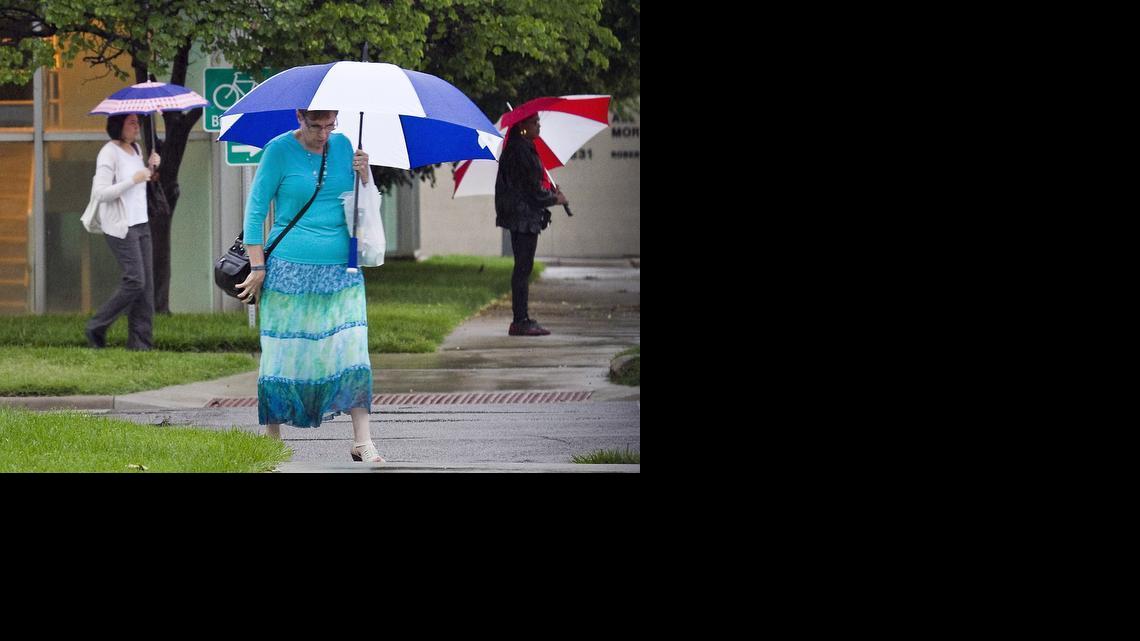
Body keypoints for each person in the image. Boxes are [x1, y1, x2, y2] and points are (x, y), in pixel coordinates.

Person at [236, 109, 384, 463]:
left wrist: (366, 177)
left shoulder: (348, 147)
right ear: (300, 116)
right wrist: (257, 265)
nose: (323, 134)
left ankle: (363, 441)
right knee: (284, 352)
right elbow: (255, 212)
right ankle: (272, 440)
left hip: (341, 268)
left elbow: (365, 209)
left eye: (330, 125)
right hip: (288, 268)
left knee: (351, 350)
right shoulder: (278, 151)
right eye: (315, 126)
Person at [84, 113, 161, 351]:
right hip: (121, 226)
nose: (136, 126)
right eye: (131, 122)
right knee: (135, 280)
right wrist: (134, 179)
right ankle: (96, 326)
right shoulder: (109, 152)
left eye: (138, 122)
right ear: (118, 125)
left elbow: (140, 186)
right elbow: (101, 193)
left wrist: (150, 169)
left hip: (141, 223)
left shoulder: (136, 149)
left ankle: (141, 344)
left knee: (146, 288)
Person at [494, 113, 569, 336]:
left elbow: (531, 186)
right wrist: (555, 198)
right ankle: (520, 320)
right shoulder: (520, 150)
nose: (538, 125)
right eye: (534, 122)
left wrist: (549, 192)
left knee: (523, 268)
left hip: (524, 215)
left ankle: (522, 318)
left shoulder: (524, 148)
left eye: (538, 121)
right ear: (522, 126)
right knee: (522, 268)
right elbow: (530, 191)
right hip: (522, 218)